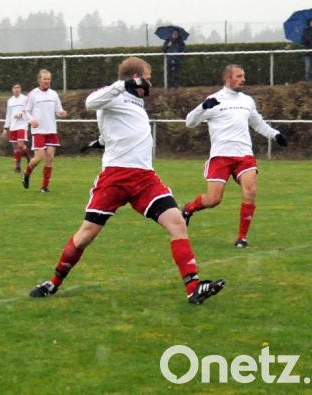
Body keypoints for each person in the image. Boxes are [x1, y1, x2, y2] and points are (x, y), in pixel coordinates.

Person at [28, 57, 225, 305]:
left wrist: (100, 141)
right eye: (147, 77)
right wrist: (123, 85)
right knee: (86, 234)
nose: (150, 83)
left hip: (145, 178)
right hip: (116, 177)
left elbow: (120, 130)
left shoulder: (136, 102)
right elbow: (90, 102)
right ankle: (53, 282)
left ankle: (194, 288)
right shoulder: (115, 93)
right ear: (135, 77)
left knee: (177, 222)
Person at [182, 64, 288, 248]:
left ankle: (241, 238)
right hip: (220, 156)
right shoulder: (214, 100)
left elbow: (258, 124)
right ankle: (188, 209)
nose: (243, 79)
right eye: (239, 76)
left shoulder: (247, 101)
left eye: (243, 76)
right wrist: (202, 107)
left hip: (244, 155)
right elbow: (189, 122)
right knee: (213, 200)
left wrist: (275, 135)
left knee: (250, 191)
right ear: (227, 78)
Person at [21, 69, 67, 193]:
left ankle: (44, 186)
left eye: (48, 79)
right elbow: (25, 111)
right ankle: (26, 173)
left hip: (51, 130)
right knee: (38, 158)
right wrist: (31, 120)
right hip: (39, 131)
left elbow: (58, 110)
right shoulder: (33, 94)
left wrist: (61, 113)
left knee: (50, 158)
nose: (47, 81)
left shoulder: (53, 94)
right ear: (39, 80)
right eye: (44, 79)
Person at [2, 82, 31, 173]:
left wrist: (21, 114)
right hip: (13, 126)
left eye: (18, 87)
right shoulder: (10, 101)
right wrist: (5, 128)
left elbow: (29, 110)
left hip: (22, 125)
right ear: (12, 89)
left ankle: (29, 159)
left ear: (20, 89)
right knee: (15, 147)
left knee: (20, 144)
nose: (17, 89)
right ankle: (17, 167)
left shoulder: (25, 99)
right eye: (15, 88)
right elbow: (8, 115)